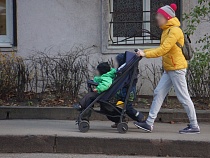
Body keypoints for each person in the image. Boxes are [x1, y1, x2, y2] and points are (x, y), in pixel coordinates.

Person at [134, 3, 200, 134]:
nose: (157, 17)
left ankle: (194, 126)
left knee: (183, 97)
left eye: (159, 15)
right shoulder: (166, 30)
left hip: (177, 68)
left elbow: (163, 50)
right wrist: (143, 51)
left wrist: (145, 54)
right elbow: (162, 49)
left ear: (167, 17)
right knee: (158, 92)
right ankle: (149, 123)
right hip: (170, 68)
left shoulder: (174, 30)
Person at [108, 53, 144, 128]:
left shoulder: (126, 72)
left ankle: (141, 119)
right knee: (119, 107)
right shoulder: (123, 71)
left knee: (128, 108)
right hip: (123, 94)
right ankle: (119, 120)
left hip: (128, 93)